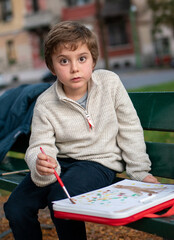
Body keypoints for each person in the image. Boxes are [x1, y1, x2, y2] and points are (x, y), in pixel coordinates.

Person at [4, 21, 158, 240]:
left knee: (62, 201)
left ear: (93, 60)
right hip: (60, 164)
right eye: (64, 61)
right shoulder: (45, 103)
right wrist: (40, 163)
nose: (74, 68)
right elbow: (40, 144)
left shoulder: (110, 84)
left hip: (98, 163)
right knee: (16, 207)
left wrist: (141, 172)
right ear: (52, 67)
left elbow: (129, 128)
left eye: (82, 59)